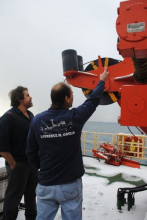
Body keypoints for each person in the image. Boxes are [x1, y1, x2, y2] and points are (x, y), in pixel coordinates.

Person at [26, 68, 109, 220]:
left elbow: (30, 151)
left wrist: (42, 165)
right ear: (66, 99)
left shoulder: (37, 120)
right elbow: (93, 101)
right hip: (70, 185)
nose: (72, 97)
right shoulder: (75, 117)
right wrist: (102, 80)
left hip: (46, 184)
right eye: (71, 94)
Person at [0, 86, 38, 220]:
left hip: (32, 164)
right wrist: (13, 164)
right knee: (13, 198)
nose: (31, 97)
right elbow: (2, 147)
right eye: (27, 95)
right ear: (20, 99)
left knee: (31, 195)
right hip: (18, 166)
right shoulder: (8, 117)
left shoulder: (31, 116)